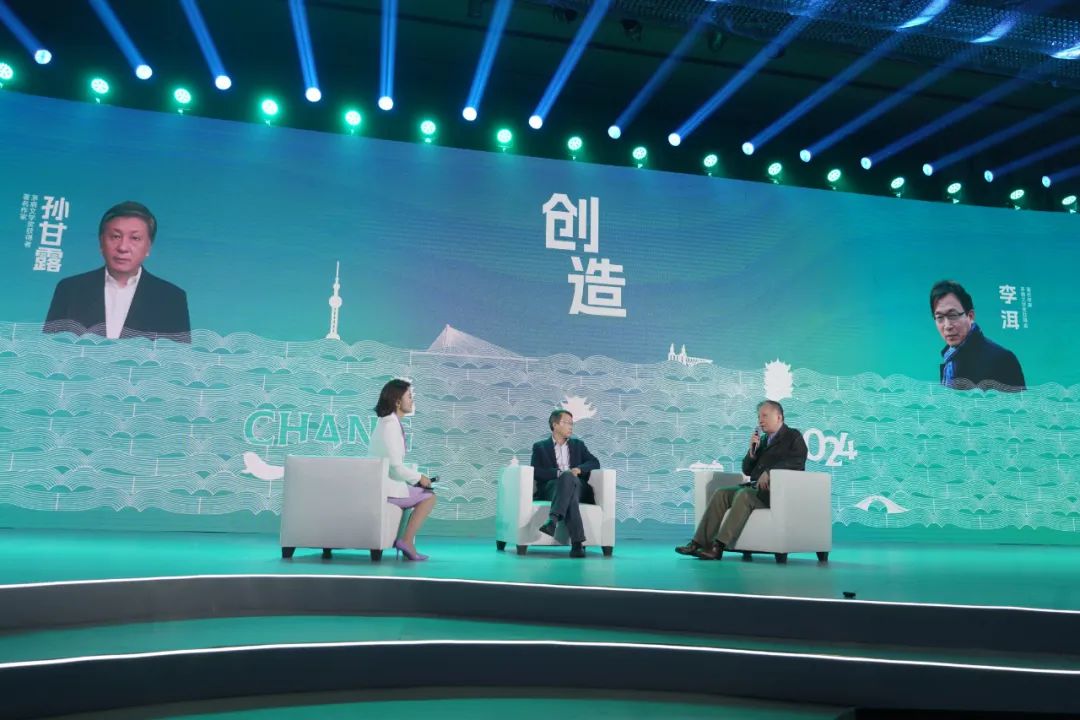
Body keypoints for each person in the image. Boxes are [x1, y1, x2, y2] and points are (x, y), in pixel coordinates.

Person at [676, 400, 808, 561]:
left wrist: (770, 472)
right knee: (721, 493)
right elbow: (747, 470)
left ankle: (718, 547)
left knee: (744, 495)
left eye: (765, 416)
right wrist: (752, 452)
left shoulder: (793, 436)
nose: (760, 420)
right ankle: (698, 543)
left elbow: (797, 461)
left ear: (779, 417)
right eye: (759, 417)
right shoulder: (763, 440)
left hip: (776, 493)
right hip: (756, 489)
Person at [44, 201, 191, 343]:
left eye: (135, 238)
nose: (123, 247)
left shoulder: (172, 299)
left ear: (148, 247)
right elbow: (49, 348)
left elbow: (177, 356)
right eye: (115, 236)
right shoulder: (70, 289)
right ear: (101, 242)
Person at [369, 379, 436, 561]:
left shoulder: (387, 423)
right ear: (398, 401)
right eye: (409, 396)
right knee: (429, 496)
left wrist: (416, 479)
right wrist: (419, 478)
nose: (412, 400)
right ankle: (406, 542)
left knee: (423, 492)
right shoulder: (390, 426)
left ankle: (406, 542)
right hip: (386, 490)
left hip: (384, 486)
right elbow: (395, 467)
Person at [930, 280, 1025, 392]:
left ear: (970, 316)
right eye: (940, 317)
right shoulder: (950, 359)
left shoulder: (1002, 360)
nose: (947, 326)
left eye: (953, 315)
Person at [530, 409, 600, 558]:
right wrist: (558, 474)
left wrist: (579, 469)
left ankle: (553, 519)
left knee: (569, 479)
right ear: (555, 425)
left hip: (578, 485)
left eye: (572, 423)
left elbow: (595, 462)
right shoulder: (540, 447)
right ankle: (577, 544)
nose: (571, 426)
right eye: (567, 423)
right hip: (552, 487)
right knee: (569, 492)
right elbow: (536, 471)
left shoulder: (578, 445)